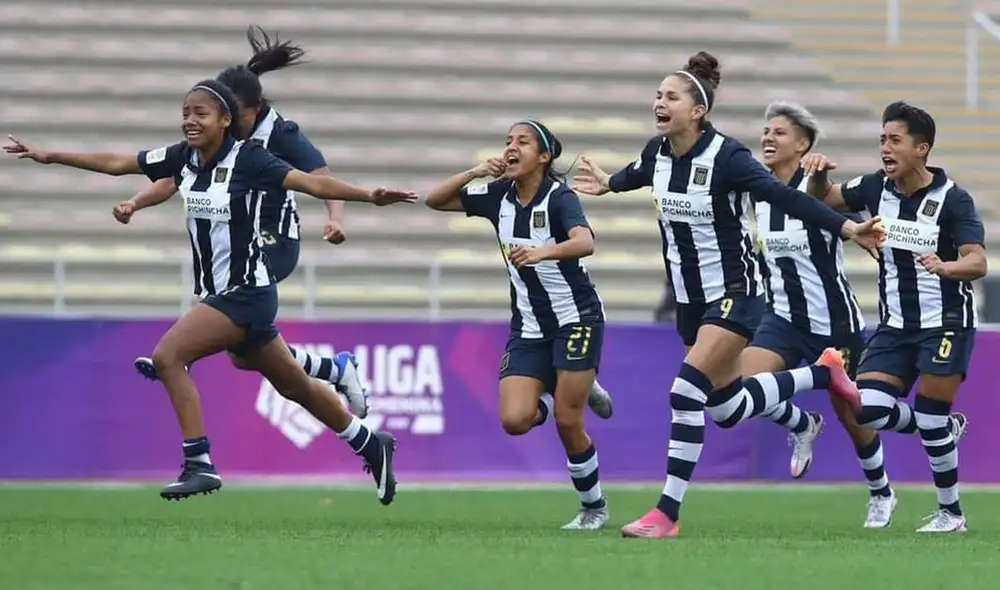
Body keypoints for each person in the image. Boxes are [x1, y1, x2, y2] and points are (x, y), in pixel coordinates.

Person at [3, 79, 418, 504]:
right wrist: (50, 155)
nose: (189, 121)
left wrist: (368, 195)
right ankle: (369, 441)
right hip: (224, 293)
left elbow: (312, 183)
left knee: (169, 356)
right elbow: (118, 163)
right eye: (185, 113)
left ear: (225, 120)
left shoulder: (252, 159)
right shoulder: (184, 158)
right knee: (293, 385)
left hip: (246, 292)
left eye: (200, 113)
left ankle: (199, 463)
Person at [572, 51, 885, 539]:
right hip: (690, 303)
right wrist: (607, 184)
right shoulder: (657, 154)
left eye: (670, 95)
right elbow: (632, 176)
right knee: (725, 408)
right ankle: (813, 395)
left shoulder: (729, 158)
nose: (660, 101)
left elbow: (789, 198)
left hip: (736, 294)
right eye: (657, 95)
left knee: (684, 393)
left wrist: (848, 227)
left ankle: (667, 514)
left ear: (697, 110)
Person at [114, 26, 366, 418]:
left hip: (274, 241)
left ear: (253, 109)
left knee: (230, 282)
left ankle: (179, 354)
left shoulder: (279, 133)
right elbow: (173, 177)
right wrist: (135, 202)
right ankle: (334, 369)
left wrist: (336, 218)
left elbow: (321, 175)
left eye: (237, 117)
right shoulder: (216, 144)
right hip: (242, 240)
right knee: (246, 355)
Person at [425, 120, 614, 530]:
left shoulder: (559, 199)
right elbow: (434, 201)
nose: (511, 147)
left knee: (568, 420)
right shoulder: (498, 196)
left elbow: (586, 242)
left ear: (543, 156)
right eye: (508, 141)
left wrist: (544, 252)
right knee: (514, 421)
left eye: (522, 142)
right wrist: (476, 172)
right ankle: (570, 385)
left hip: (576, 318)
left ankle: (593, 507)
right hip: (528, 327)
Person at [804, 101, 981, 533]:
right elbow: (822, 199)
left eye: (895, 140)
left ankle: (950, 514)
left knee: (930, 414)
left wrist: (946, 267)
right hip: (896, 327)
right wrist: (820, 173)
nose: (885, 147)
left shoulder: (952, 200)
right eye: (882, 138)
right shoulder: (873, 188)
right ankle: (941, 428)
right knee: (867, 409)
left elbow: (977, 263)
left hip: (946, 324)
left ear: (922, 148)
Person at [747, 100, 904, 528]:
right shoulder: (756, 192)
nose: (767, 138)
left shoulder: (816, 188)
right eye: (765, 131)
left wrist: (821, 175)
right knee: (742, 389)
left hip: (835, 323)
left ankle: (881, 492)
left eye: (779, 132)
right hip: (782, 318)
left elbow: (847, 213)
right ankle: (802, 424)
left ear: (803, 144)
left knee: (854, 417)